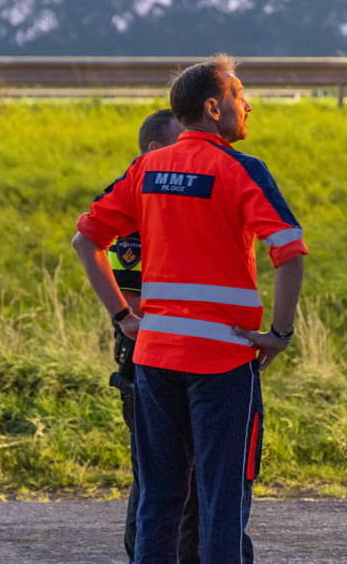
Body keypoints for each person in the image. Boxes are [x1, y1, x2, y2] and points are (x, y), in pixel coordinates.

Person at [73, 54, 307, 564]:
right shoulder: (241, 170)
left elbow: (84, 241)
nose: (248, 106)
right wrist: (280, 334)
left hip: (154, 358)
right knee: (221, 502)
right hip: (224, 361)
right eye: (239, 96)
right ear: (212, 106)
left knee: (159, 500)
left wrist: (123, 318)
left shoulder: (145, 168)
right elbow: (289, 252)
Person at [105, 109, 199, 563]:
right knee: (160, 482)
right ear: (154, 152)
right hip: (154, 362)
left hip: (195, 358)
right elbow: (136, 301)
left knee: (198, 486)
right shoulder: (135, 203)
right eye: (184, 141)